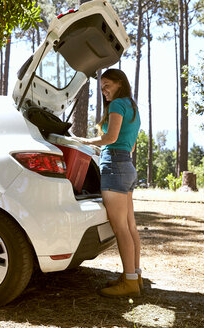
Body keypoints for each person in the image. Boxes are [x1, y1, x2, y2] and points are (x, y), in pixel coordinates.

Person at [73, 68, 142, 297]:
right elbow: (128, 144)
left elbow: (110, 138)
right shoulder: (132, 106)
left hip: (114, 165)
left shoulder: (117, 105)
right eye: (102, 88)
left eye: (107, 86)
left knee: (120, 228)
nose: (104, 92)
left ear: (119, 83)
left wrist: (84, 140)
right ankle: (134, 275)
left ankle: (130, 283)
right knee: (130, 226)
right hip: (127, 165)